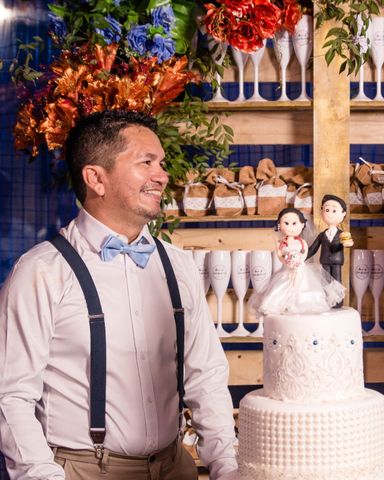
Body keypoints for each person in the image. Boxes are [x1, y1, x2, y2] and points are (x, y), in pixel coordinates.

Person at [0, 110, 238, 479]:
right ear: (96, 178)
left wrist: (227, 467)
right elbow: (10, 397)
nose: (162, 175)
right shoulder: (40, 272)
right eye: (146, 162)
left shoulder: (177, 265)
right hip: (82, 470)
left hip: (174, 465)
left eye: (160, 163)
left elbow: (205, 376)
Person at [248, 207, 344, 315]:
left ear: (302, 225)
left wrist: (298, 262)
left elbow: (304, 253)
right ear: (279, 224)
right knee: (282, 287)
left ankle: (304, 304)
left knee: (304, 287)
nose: (290, 227)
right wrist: (287, 262)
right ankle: (283, 305)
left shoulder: (302, 242)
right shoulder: (280, 243)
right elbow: (280, 256)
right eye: (286, 223)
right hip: (287, 269)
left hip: (300, 268)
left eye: (294, 223)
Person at [306, 194, 354, 286]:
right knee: (325, 284)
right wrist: (302, 257)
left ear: (343, 213)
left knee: (337, 284)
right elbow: (313, 249)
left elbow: (349, 242)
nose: (329, 214)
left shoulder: (342, 234)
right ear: (321, 211)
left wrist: (348, 243)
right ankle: (326, 300)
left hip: (336, 262)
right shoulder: (322, 235)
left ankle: (338, 300)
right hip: (324, 262)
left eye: (334, 210)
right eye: (327, 210)